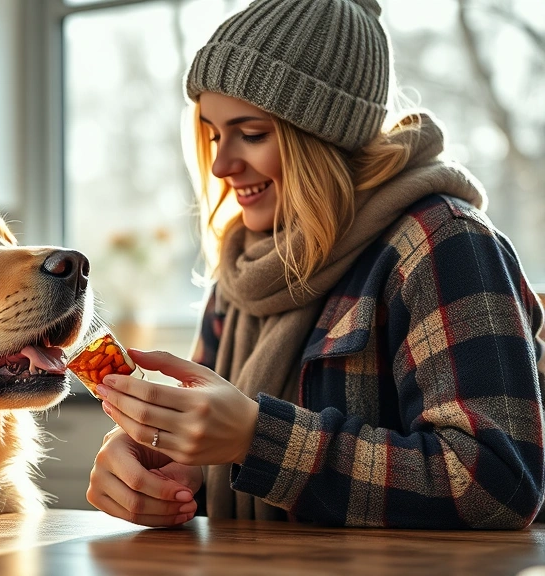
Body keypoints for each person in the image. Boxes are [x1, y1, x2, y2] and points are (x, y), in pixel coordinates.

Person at [85, 0, 545, 529]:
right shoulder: (242, 269)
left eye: (251, 133)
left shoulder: (442, 244)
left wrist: (258, 438)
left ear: (324, 138)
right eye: (214, 134)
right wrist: (165, 465)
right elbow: (220, 474)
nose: (221, 164)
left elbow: (496, 484)